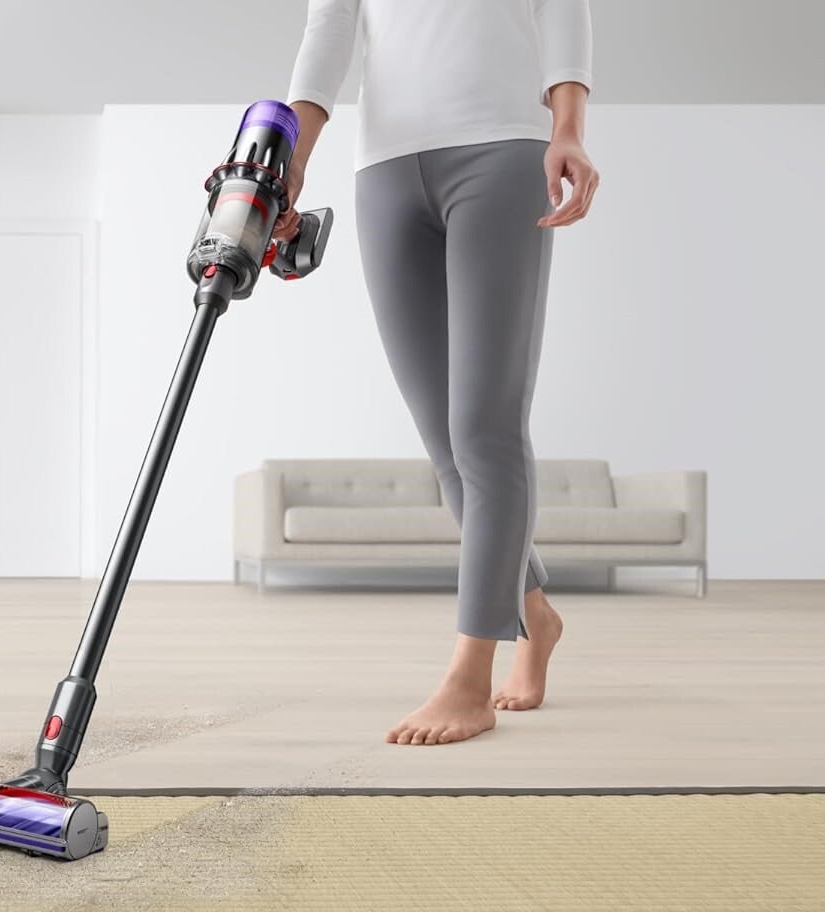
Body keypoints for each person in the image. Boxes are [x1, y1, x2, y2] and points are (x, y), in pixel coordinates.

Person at [278, 0, 598, 745]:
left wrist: (569, 129)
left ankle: (469, 677)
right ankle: (535, 614)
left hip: (502, 150)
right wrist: (293, 159)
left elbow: (563, 9)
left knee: (485, 429)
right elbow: (326, 32)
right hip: (384, 169)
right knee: (446, 442)